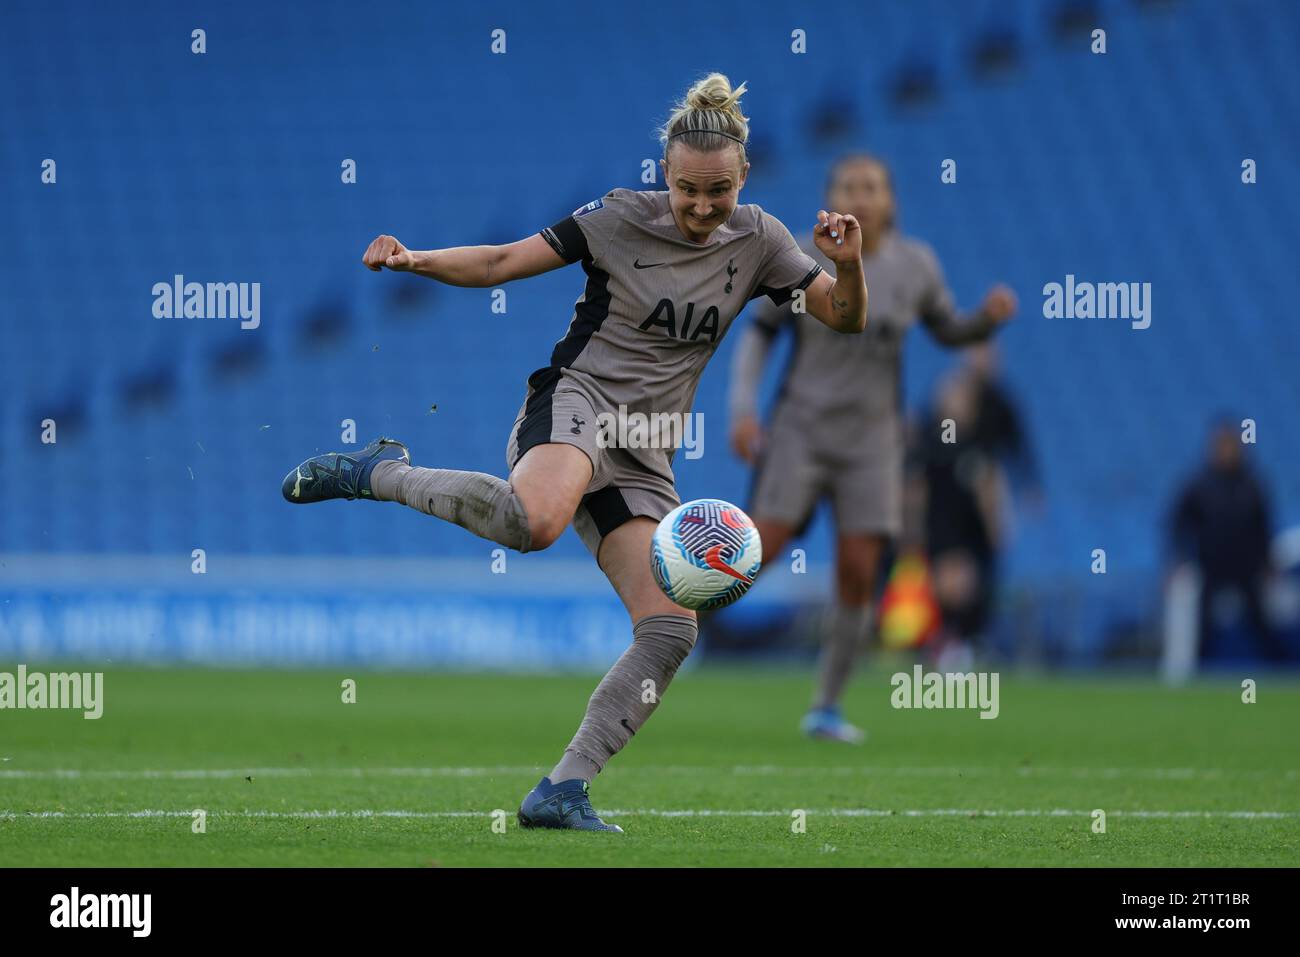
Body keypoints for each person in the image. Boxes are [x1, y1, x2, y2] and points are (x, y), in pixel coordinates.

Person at [279, 74, 868, 832]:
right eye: (687, 188)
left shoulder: (761, 239)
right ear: (665, 172)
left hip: (646, 447)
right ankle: (376, 471)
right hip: (577, 401)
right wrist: (414, 260)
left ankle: (562, 788)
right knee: (538, 520)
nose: (700, 205)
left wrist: (847, 264)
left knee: (670, 629)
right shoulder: (619, 218)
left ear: (743, 177)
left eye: (716, 191)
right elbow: (499, 263)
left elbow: (844, 318)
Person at [728, 154, 1015, 742]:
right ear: (828, 195)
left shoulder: (916, 266)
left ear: (890, 200)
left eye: (871, 187)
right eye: (846, 186)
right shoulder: (800, 259)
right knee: (754, 553)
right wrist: (741, 408)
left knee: (859, 572)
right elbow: (759, 334)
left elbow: (947, 330)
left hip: (874, 442)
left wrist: (984, 322)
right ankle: (669, 639)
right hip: (802, 430)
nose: (859, 195)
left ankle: (826, 706)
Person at [1169, 420, 1283, 664]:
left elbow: (1264, 527)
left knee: (1260, 620)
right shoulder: (1199, 484)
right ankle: (1200, 670)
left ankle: (1278, 670)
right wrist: (1179, 557)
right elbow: (1178, 523)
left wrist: (1268, 562)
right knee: (1205, 622)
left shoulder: (1252, 484)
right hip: (1211, 565)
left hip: (1247, 567)